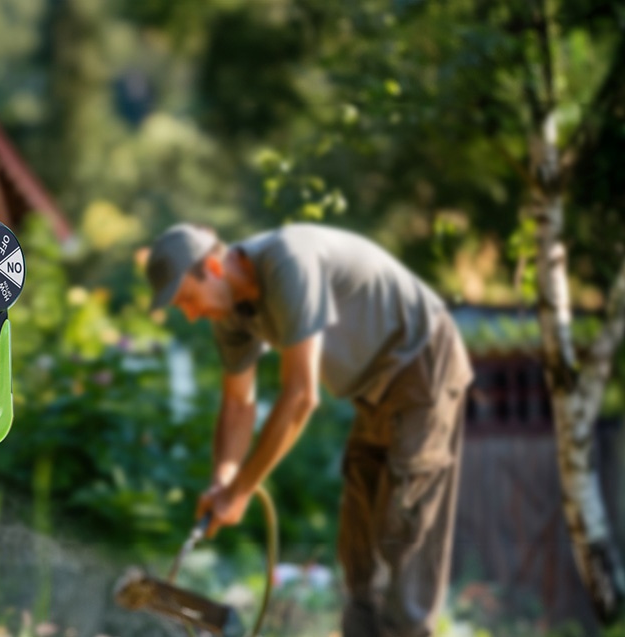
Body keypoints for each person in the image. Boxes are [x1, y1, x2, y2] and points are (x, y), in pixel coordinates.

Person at [145, 222, 473, 637]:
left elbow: (301, 396)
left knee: (402, 530)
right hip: (370, 392)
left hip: (422, 364)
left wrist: (242, 490)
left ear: (212, 266)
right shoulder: (229, 312)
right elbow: (238, 403)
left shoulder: (288, 262)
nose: (191, 315)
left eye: (188, 299)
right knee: (359, 545)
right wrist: (223, 479)